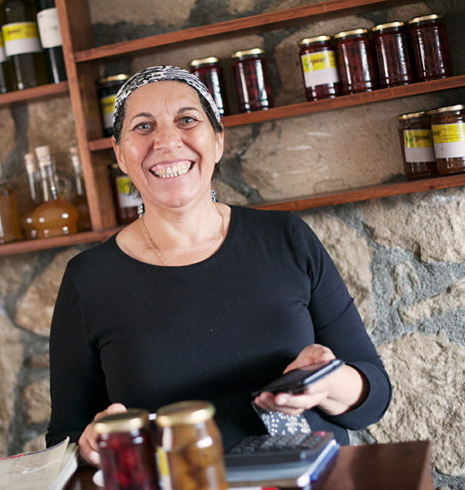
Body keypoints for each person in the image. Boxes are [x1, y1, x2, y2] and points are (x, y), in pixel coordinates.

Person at [46, 65, 391, 466]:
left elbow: (373, 396)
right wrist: (89, 444)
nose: (167, 140)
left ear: (218, 140)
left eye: (187, 120)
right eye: (143, 127)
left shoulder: (286, 239)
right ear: (120, 155)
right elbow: (65, 437)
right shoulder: (89, 279)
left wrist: (332, 383)